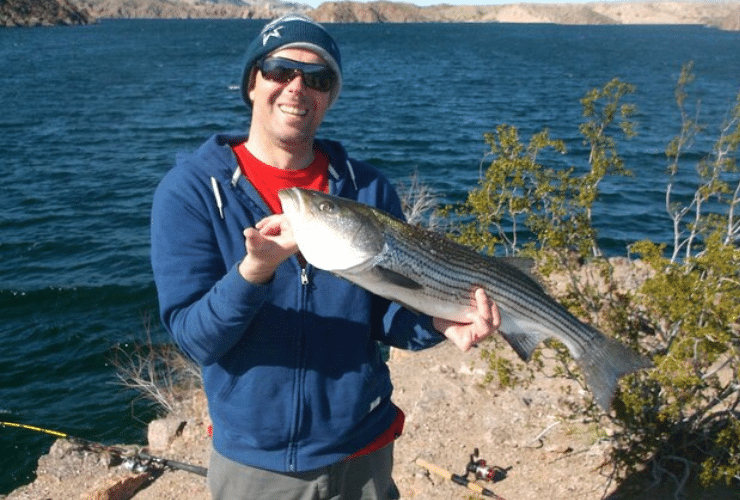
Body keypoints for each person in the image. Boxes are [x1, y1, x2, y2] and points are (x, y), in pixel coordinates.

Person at [150, 14, 500, 500]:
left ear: (330, 97)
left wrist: (439, 325)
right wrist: (254, 273)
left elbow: (388, 311)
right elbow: (194, 339)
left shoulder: (367, 188)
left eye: (317, 79)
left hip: (365, 450)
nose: (297, 87)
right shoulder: (191, 191)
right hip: (257, 465)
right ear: (253, 82)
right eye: (280, 70)